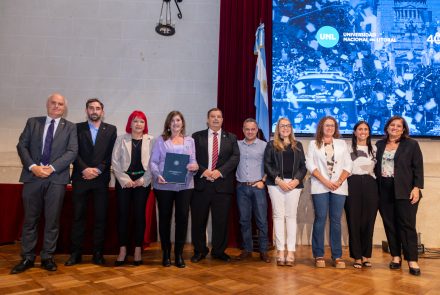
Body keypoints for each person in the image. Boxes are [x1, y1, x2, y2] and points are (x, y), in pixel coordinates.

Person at [11, 93, 78, 274]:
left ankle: (47, 256)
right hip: (32, 178)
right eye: (53, 103)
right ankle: (27, 257)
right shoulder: (33, 122)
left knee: (52, 220)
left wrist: (52, 168)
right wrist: (33, 167)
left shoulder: (70, 127)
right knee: (30, 220)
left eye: (60, 104)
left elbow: (72, 151)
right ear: (47, 104)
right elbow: (21, 146)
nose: (57, 106)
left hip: (56, 179)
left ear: (64, 108)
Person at [65, 98, 117, 266]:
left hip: (101, 180)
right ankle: (76, 253)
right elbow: (73, 151)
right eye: (91, 108)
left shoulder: (110, 129)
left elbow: (112, 154)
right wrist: (84, 169)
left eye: (97, 108)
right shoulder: (76, 128)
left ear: (102, 111)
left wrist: (99, 169)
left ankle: (97, 253)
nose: (94, 111)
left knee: (100, 218)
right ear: (86, 110)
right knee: (78, 217)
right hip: (81, 178)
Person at [375, 116, 423, 276]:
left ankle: (412, 260)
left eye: (398, 126)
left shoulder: (412, 144)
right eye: (392, 125)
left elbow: (418, 168)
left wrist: (416, 188)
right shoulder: (379, 144)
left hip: (405, 191)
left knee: (407, 226)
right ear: (387, 127)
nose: (395, 128)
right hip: (384, 190)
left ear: (403, 129)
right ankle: (396, 256)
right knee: (390, 224)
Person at [149, 111, 199, 268]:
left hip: (185, 186)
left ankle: (178, 254)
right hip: (164, 186)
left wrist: (195, 167)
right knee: (164, 219)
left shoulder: (190, 141)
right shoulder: (160, 141)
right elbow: (153, 162)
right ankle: (165, 253)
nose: (176, 123)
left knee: (182, 220)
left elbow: (194, 162)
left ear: (182, 123)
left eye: (178, 120)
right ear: (168, 124)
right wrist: (157, 174)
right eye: (172, 121)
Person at [190, 108, 240, 263]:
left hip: (222, 186)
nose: (216, 119)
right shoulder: (196, 137)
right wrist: (204, 171)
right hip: (201, 185)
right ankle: (199, 251)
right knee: (198, 220)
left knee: (221, 221)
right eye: (213, 116)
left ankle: (219, 251)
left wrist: (219, 171)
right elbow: (191, 157)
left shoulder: (231, 137)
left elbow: (235, 157)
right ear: (207, 119)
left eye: (219, 117)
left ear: (223, 120)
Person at [306, 116, 351, 269]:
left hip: (339, 187)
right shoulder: (313, 144)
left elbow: (348, 165)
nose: (330, 128)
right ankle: (318, 254)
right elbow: (310, 165)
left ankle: (337, 256)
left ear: (335, 128)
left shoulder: (341, 143)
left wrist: (338, 181)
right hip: (320, 186)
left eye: (332, 125)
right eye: (327, 125)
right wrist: (325, 181)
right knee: (320, 218)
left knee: (336, 220)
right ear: (321, 127)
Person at [111, 110, 153, 266]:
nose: (138, 124)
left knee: (139, 216)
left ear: (145, 124)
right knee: (122, 215)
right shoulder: (121, 139)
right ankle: (122, 250)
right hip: (124, 182)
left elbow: (153, 164)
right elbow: (114, 162)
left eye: (141, 121)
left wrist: (143, 179)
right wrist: (125, 179)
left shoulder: (151, 140)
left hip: (142, 182)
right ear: (130, 123)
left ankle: (137, 249)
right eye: (135, 121)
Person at [264, 117, 307, 266]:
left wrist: (296, 180)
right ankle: (280, 251)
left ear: (291, 128)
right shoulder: (271, 145)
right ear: (278, 129)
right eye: (282, 126)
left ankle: (290, 251)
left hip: (294, 185)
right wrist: (278, 180)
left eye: (288, 125)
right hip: (276, 184)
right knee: (278, 216)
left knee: (291, 216)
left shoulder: (298, 145)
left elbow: (303, 166)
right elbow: (267, 165)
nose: (285, 128)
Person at [235, 118, 270, 263]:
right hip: (241, 187)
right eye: (247, 129)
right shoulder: (236, 145)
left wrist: (263, 181)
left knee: (262, 220)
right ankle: (247, 249)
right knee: (244, 220)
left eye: (253, 129)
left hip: (258, 188)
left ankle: (263, 251)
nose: (250, 132)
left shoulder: (264, 145)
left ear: (257, 130)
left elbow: (270, 166)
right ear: (243, 130)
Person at [345, 121, 379, 269]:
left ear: (369, 132)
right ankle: (357, 257)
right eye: (360, 129)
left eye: (366, 129)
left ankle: (366, 256)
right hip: (352, 183)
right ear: (355, 132)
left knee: (368, 221)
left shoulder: (375, 148)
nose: (363, 131)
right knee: (353, 221)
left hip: (371, 185)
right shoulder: (347, 148)